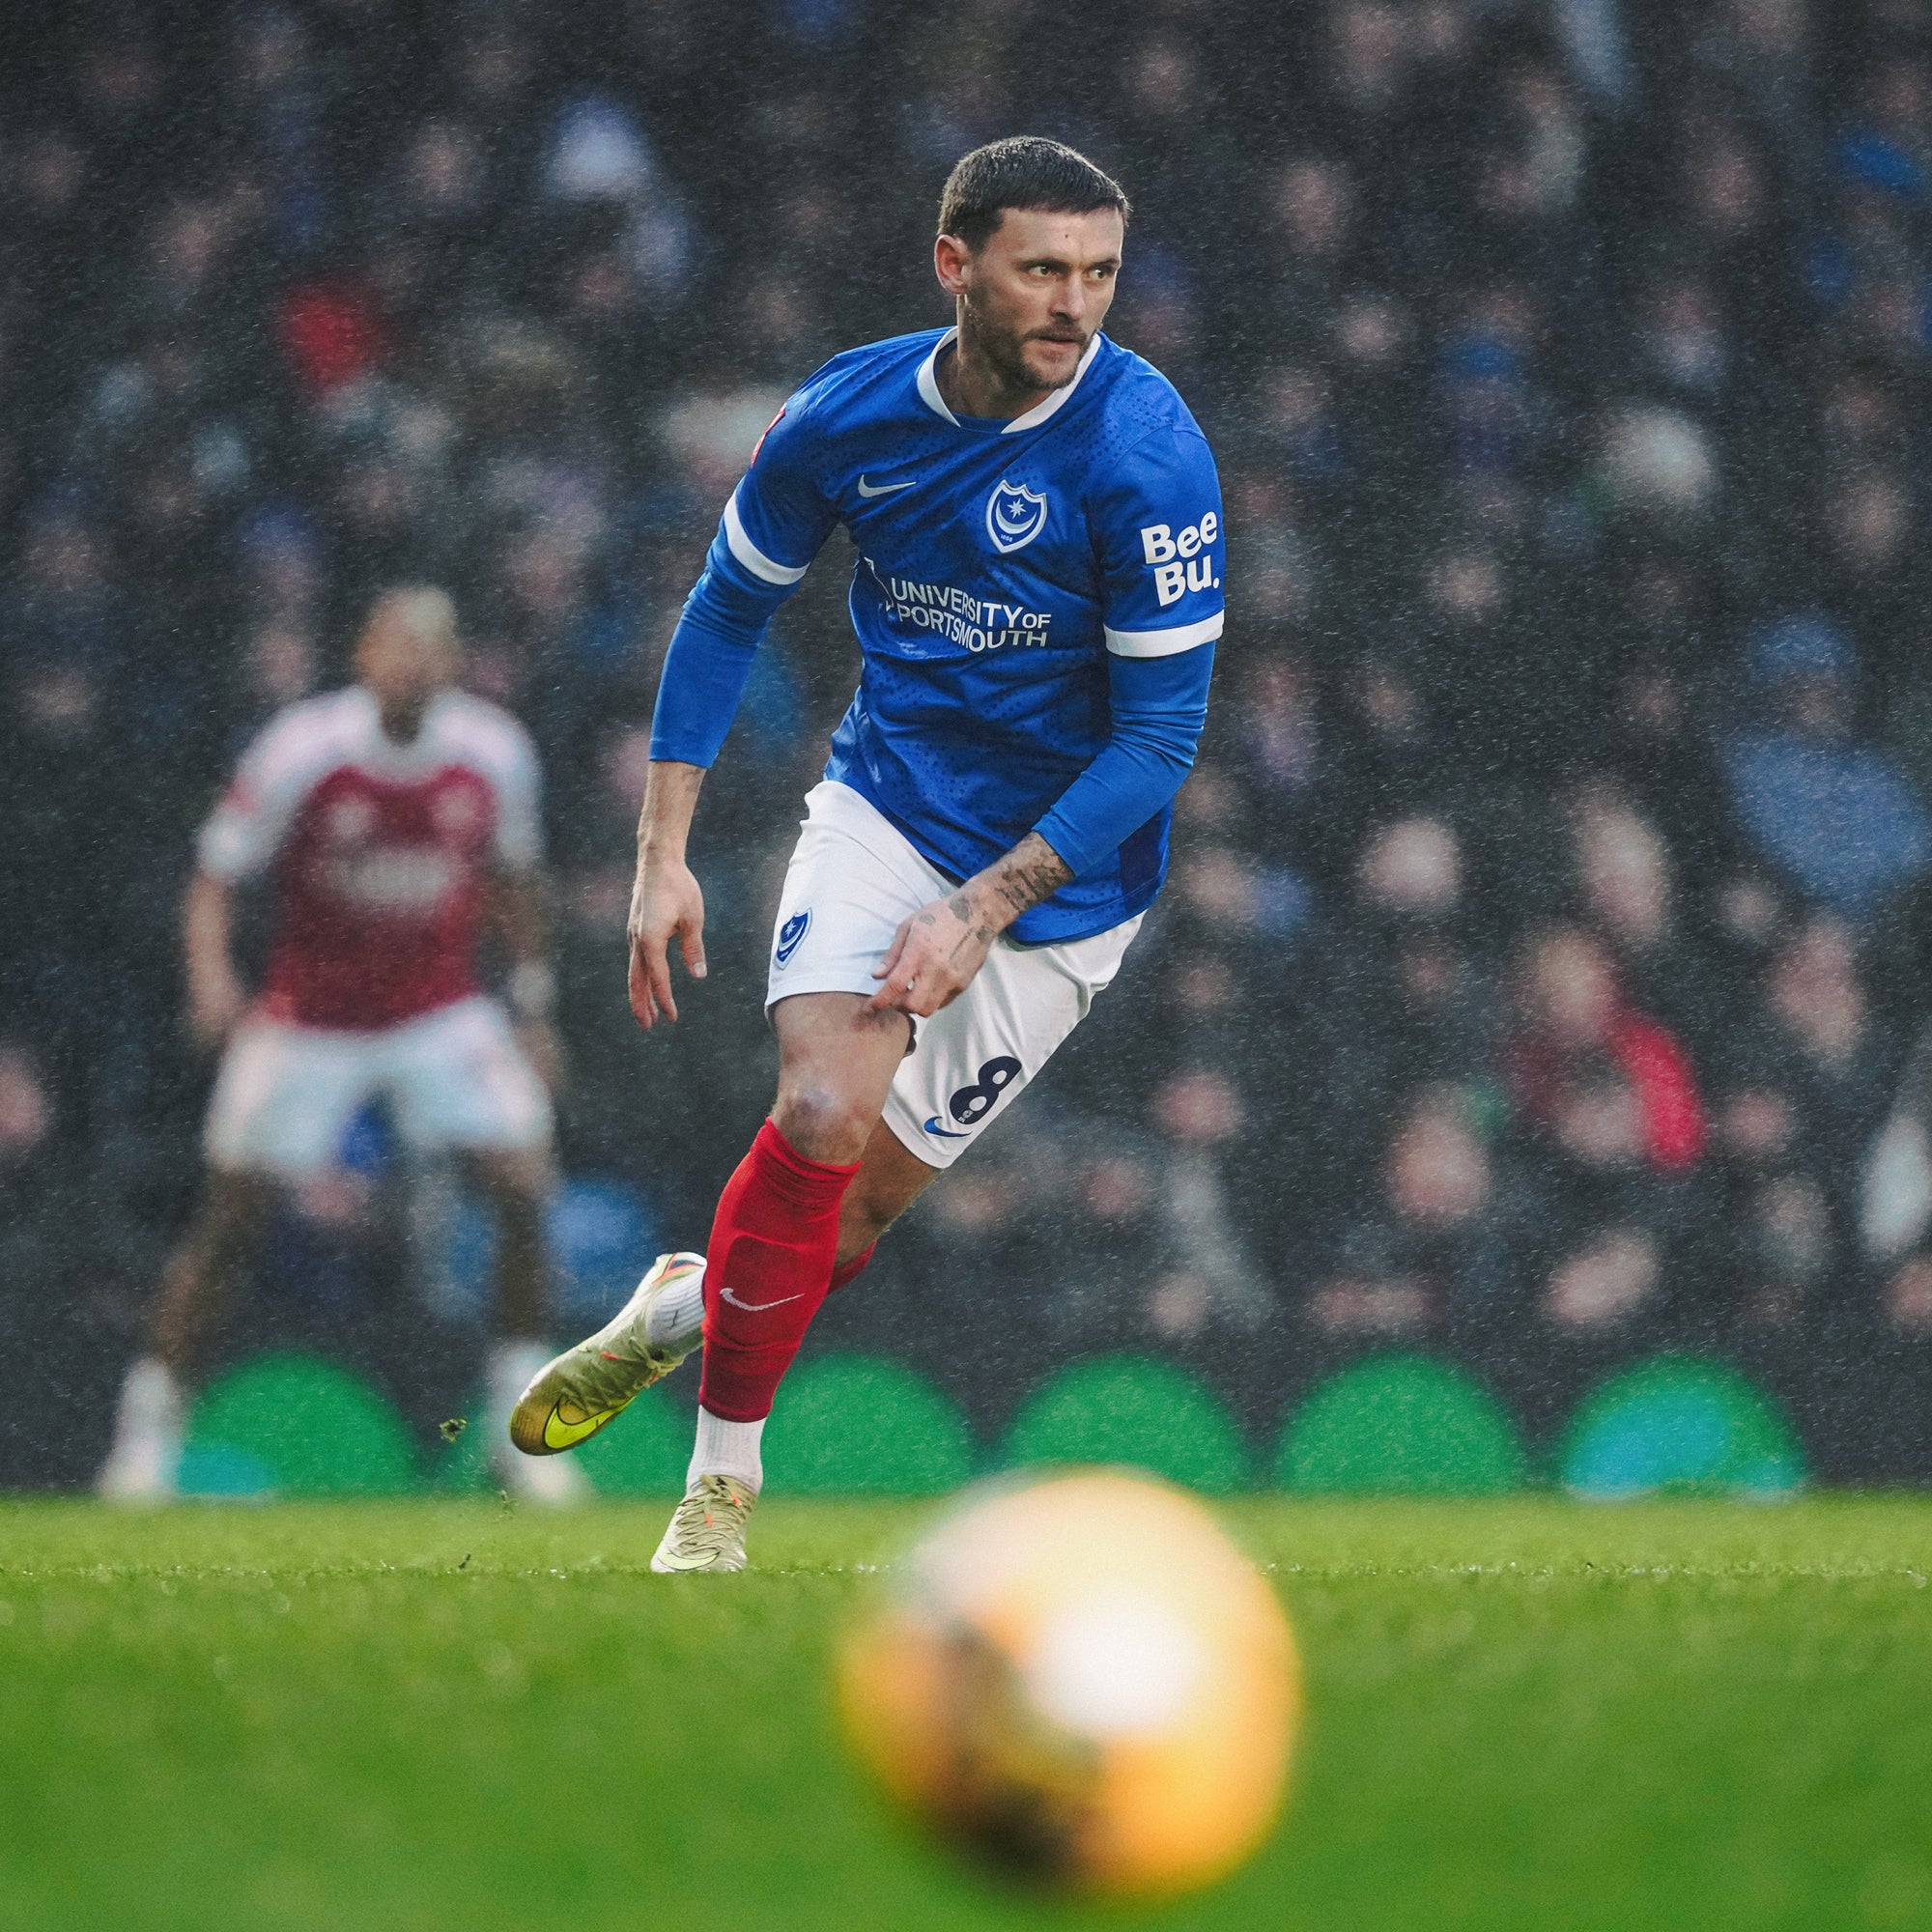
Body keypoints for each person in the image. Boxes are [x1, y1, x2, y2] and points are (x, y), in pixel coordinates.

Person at [508, 136, 1224, 1571]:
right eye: (1042, 269)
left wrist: (987, 906)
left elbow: (1158, 741)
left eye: (1099, 274)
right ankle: (720, 1489)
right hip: (889, 809)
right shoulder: (845, 416)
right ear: (953, 264)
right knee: (823, 1110)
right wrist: (663, 852)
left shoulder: (1148, 457)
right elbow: (726, 608)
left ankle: (683, 1306)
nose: (1075, 305)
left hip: (1069, 883)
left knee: (835, 1229)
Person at [97, 586, 579, 1503]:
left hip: (437, 1005)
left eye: (432, 649)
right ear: (364, 656)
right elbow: (216, 873)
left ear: (455, 663)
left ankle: (520, 1434)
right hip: (309, 1014)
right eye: (398, 646)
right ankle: (144, 1437)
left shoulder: (495, 752)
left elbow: (514, 883)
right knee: (230, 1218)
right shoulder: (303, 749)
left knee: (523, 1184)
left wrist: (532, 1004)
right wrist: (210, 976)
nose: (414, 664)